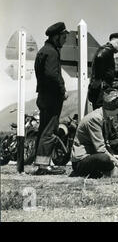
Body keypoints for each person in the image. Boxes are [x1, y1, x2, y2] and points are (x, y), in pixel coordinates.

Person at [71, 89, 118, 178]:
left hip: (96, 155)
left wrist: (114, 157)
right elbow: (100, 149)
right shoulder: (95, 119)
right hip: (82, 160)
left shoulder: (105, 116)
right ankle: (116, 171)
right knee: (104, 158)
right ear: (117, 107)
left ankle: (113, 170)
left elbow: (106, 143)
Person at [33, 22, 69, 175]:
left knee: (43, 130)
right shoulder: (52, 52)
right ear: (56, 37)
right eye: (63, 37)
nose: (65, 40)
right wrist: (62, 89)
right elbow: (52, 75)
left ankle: (41, 163)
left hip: (43, 96)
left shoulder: (43, 51)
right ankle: (43, 166)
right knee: (49, 131)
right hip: (51, 97)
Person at [88, 33, 118, 109]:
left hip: (99, 91)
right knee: (102, 116)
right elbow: (100, 57)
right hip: (102, 92)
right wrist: (98, 79)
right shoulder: (107, 50)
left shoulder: (105, 49)